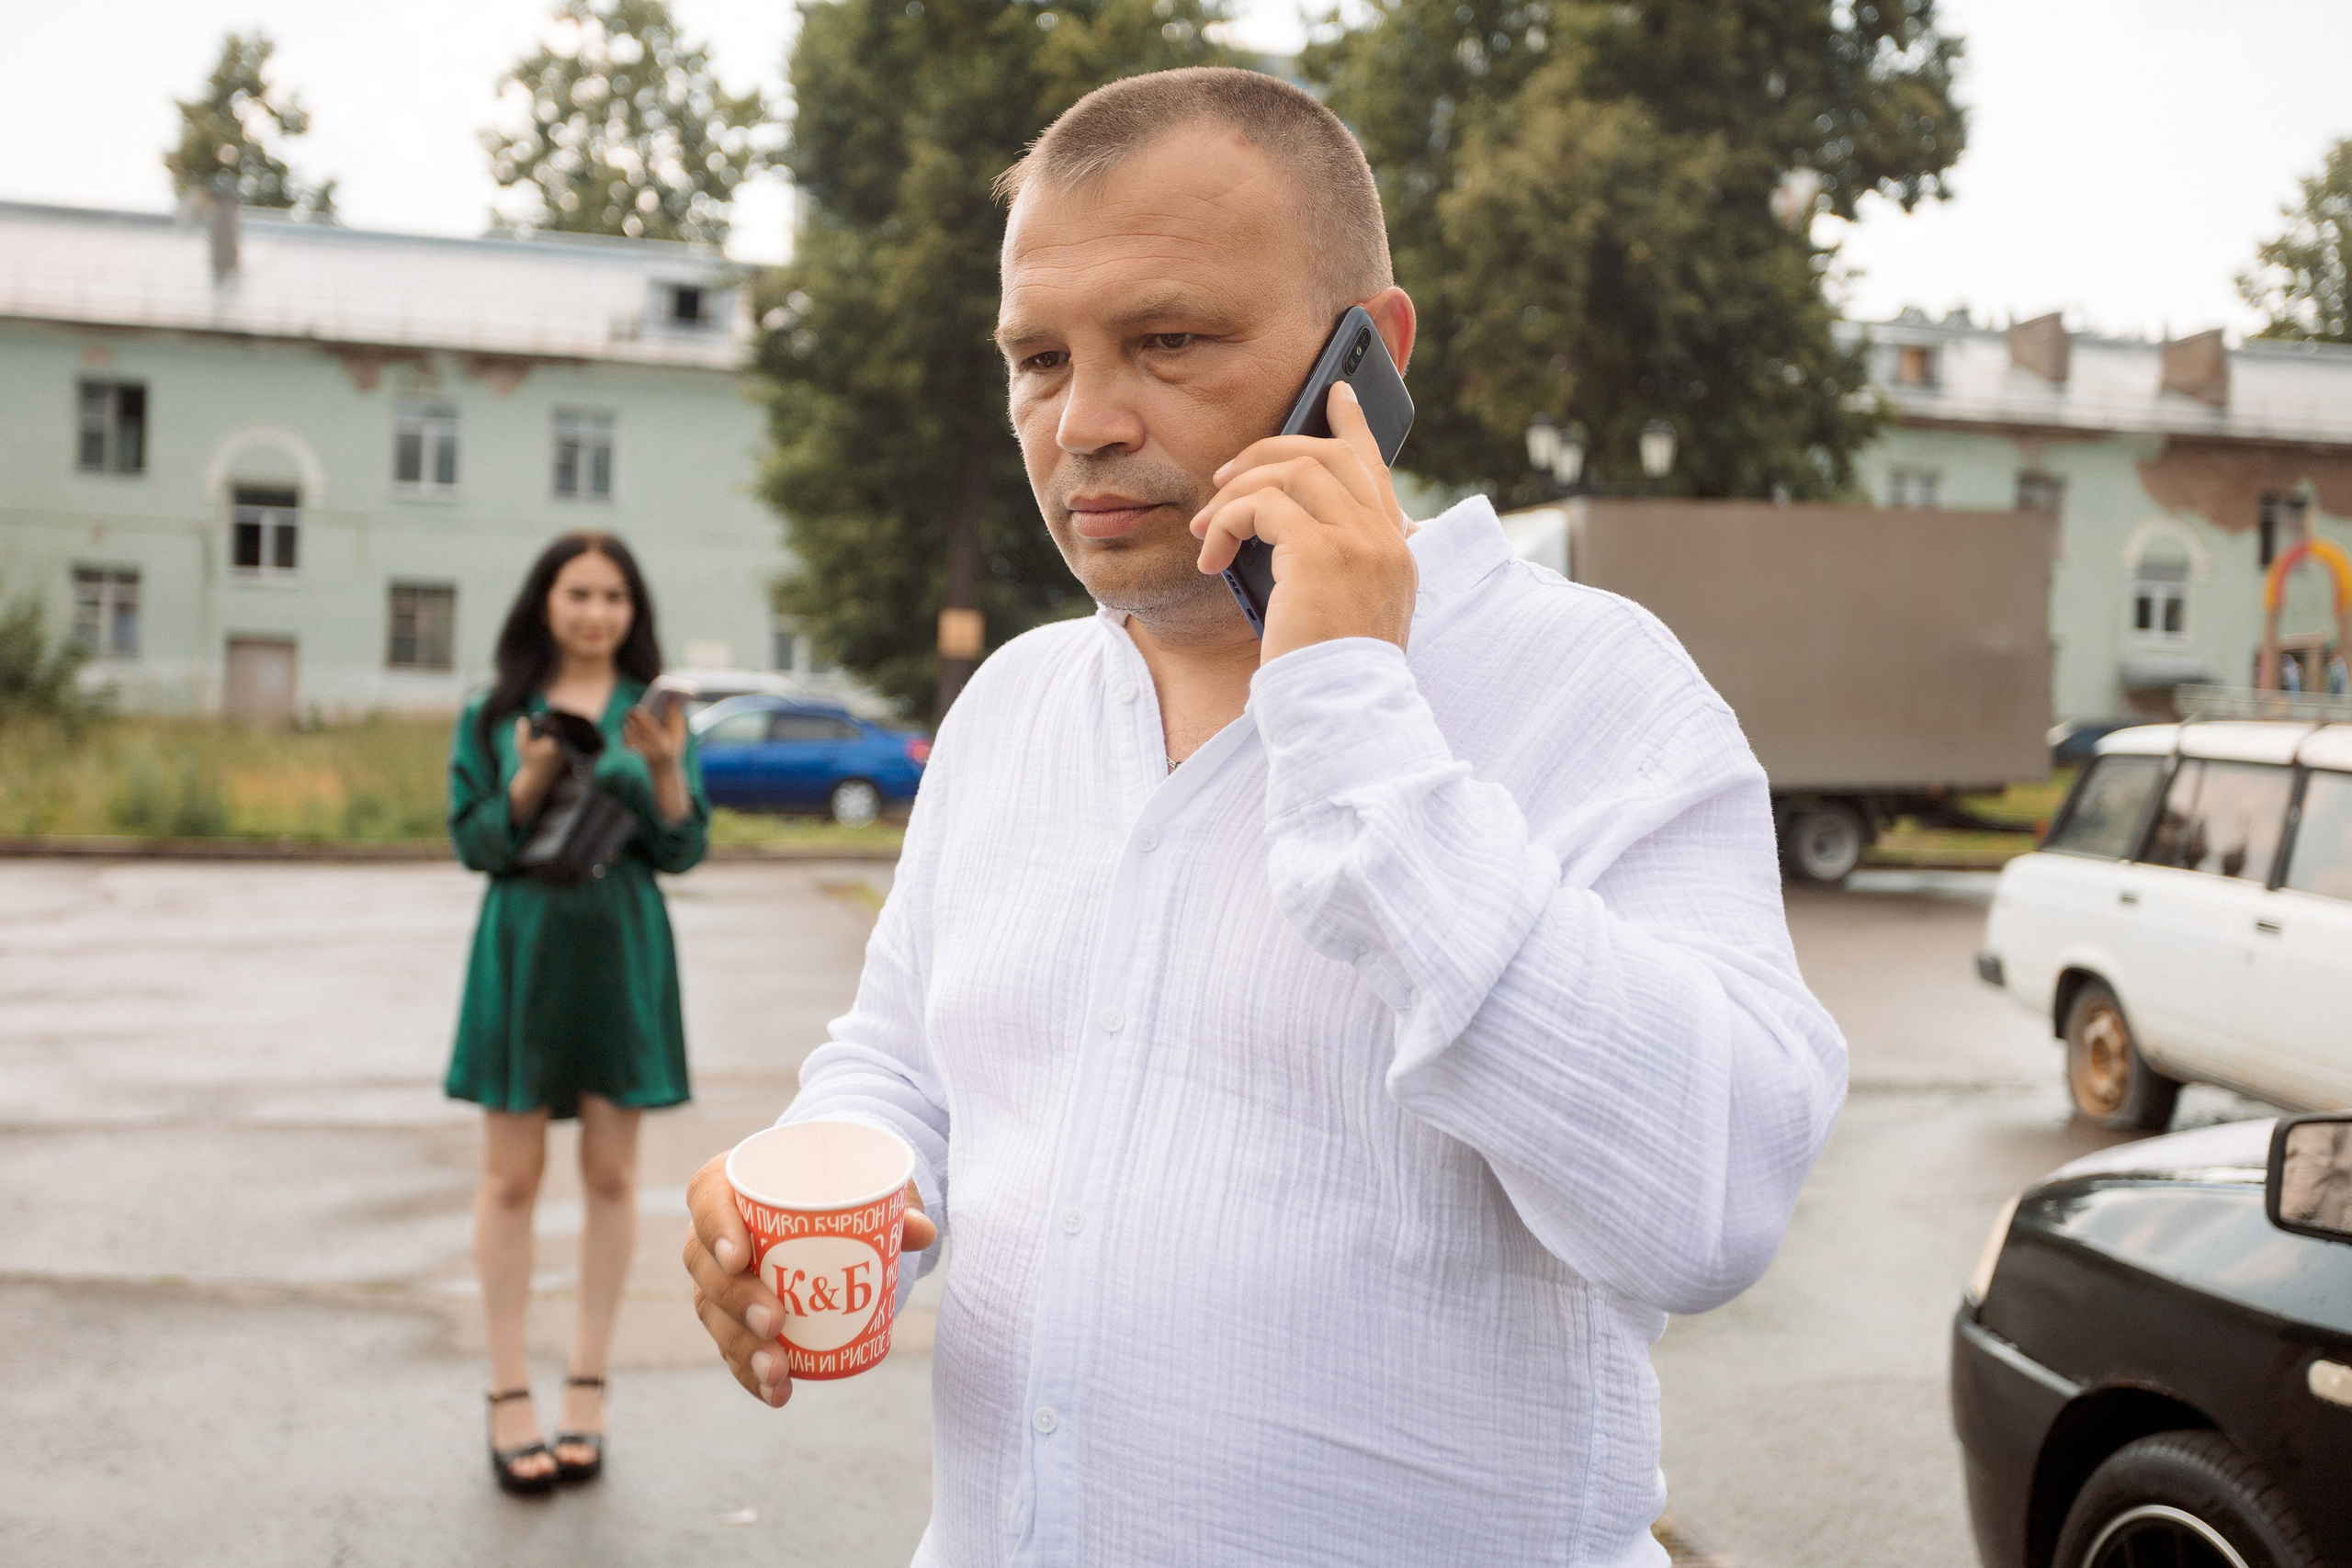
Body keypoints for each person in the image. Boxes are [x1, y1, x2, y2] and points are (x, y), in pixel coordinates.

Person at [684, 67, 1847, 1565]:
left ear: (1369, 354)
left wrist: (1352, 704)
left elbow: (1713, 1200)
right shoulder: (1016, 707)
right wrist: (824, 1180)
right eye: (1038, 357)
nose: (1083, 422)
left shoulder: (1591, 688)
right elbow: (905, 1059)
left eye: (1167, 341)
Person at [447, 530, 708, 1494]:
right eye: (578, 594)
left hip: (622, 949)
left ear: (632, 612)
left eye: (613, 597)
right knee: (510, 1179)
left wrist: (669, 768)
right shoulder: (492, 713)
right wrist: (526, 774)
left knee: (610, 1174)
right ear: (543, 603)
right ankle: (509, 1387)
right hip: (522, 948)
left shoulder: (656, 715)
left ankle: (588, 1387)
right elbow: (475, 843)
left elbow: (683, 850)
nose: (596, 613)